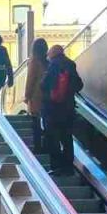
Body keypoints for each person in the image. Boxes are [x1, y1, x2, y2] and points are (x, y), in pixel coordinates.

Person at [40, 45, 83, 176]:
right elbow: (79, 84)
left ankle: (56, 167)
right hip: (68, 109)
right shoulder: (71, 64)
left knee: (53, 138)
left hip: (52, 109)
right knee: (67, 138)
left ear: (52, 54)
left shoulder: (52, 65)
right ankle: (68, 167)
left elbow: (43, 84)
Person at [24, 38, 49, 152]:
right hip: (47, 95)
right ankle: (47, 146)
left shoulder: (34, 62)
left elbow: (31, 80)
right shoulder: (47, 61)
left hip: (36, 96)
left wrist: (27, 95)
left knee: (35, 123)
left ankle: (38, 147)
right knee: (46, 122)